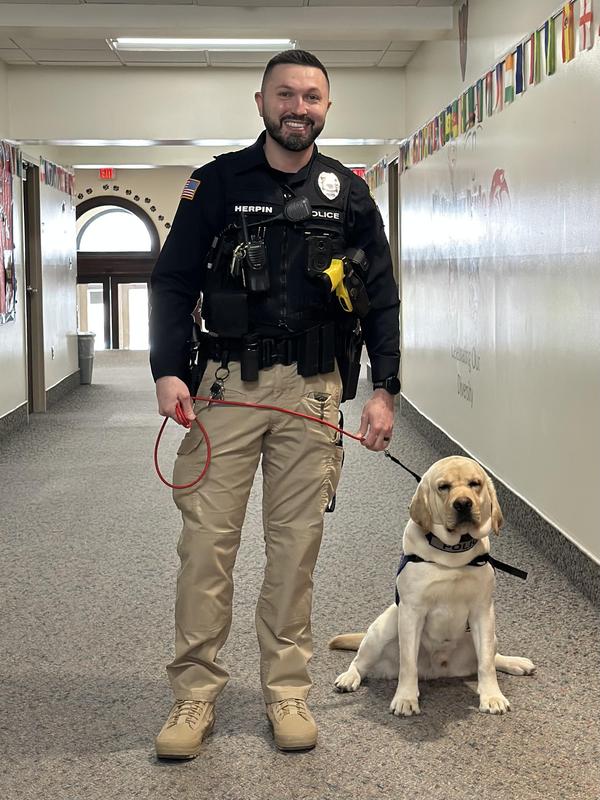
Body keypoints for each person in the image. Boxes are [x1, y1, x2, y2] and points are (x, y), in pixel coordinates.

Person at [149, 49, 400, 759]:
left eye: (312, 96)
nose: (299, 107)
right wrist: (169, 370)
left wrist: (386, 387)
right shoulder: (218, 182)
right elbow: (171, 282)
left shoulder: (349, 193)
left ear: (327, 106)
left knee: (296, 550)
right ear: (260, 102)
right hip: (224, 388)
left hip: (314, 393)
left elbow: (380, 296)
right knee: (206, 547)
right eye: (285, 95)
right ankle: (194, 698)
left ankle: (287, 690)